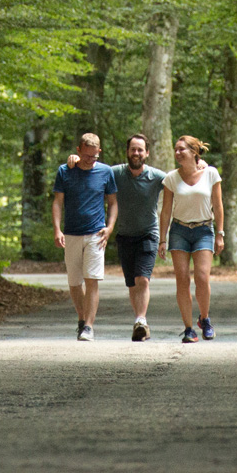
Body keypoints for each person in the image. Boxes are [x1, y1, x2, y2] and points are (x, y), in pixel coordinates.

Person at [66, 134, 166, 340]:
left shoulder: (157, 176)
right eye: (133, 149)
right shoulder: (114, 173)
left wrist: (198, 165)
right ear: (127, 152)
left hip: (149, 233)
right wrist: (73, 159)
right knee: (131, 283)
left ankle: (141, 319)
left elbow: (180, 181)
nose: (136, 153)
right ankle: (138, 320)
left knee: (142, 279)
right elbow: (90, 167)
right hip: (125, 234)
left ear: (147, 153)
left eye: (140, 150)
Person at [52, 132, 118, 341]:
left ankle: (89, 326)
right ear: (78, 151)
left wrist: (110, 227)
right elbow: (57, 202)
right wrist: (57, 229)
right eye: (87, 156)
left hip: (96, 233)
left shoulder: (106, 172)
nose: (91, 160)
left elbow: (113, 202)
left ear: (99, 152)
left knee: (92, 280)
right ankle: (82, 319)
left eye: (94, 156)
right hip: (71, 233)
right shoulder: (65, 171)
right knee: (74, 282)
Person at [158, 134, 224, 343]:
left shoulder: (211, 174)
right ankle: (188, 329)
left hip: (204, 229)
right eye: (175, 149)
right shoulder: (171, 179)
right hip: (179, 230)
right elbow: (166, 211)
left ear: (194, 152)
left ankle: (204, 319)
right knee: (182, 279)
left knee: (202, 277)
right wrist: (162, 239)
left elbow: (218, 205)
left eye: (182, 149)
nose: (177, 153)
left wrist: (220, 234)